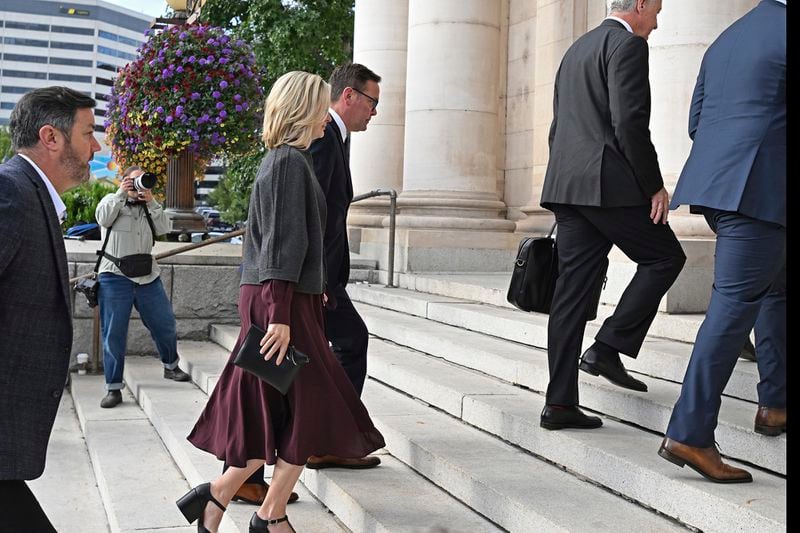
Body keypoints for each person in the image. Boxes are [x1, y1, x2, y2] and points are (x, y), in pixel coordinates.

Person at [180, 71, 385, 533]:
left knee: (290, 408)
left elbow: (295, 243)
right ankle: (261, 512)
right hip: (283, 305)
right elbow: (280, 245)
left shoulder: (286, 160)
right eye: (319, 105)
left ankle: (232, 501)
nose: (324, 114)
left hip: (292, 299)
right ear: (303, 109)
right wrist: (279, 315)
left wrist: (317, 286)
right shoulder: (290, 163)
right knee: (308, 406)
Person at [230, 63, 384, 503]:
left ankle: (242, 494)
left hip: (303, 288)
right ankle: (242, 487)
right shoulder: (294, 159)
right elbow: (289, 231)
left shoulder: (308, 150)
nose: (375, 112)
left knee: (281, 389)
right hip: (292, 291)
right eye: (372, 102)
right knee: (275, 388)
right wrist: (288, 305)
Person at [538, 0, 686, 430]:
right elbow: (629, 124)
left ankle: (560, 404)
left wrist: (565, 179)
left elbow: (557, 127)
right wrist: (653, 185)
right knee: (666, 257)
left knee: (570, 297)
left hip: (567, 187)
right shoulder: (627, 45)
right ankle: (607, 346)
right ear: (638, 5)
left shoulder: (576, 49)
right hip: (608, 185)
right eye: (655, 12)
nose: (656, 24)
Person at [660, 0, 785, 484]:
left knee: (774, 290)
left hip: (724, 189)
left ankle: (775, 404)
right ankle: (689, 432)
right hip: (759, 193)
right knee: (733, 308)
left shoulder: (726, 38)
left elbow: (697, 122)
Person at [0, 86, 101, 531]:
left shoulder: (29, 195)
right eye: (88, 133)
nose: (96, 147)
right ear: (51, 137)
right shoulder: (11, 193)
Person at [95, 165, 191, 408]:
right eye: (134, 181)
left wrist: (151, 202)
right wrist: (120, 193)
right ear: (124, 180)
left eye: (143, 181)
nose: (140, 185)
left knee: (165, 322)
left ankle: (171, 366)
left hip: (147, 276)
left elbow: (165, 229)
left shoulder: (149, 206)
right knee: (113, 334)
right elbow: (103, 218)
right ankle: (113, 388)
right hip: (114, 276)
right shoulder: (111, 200)